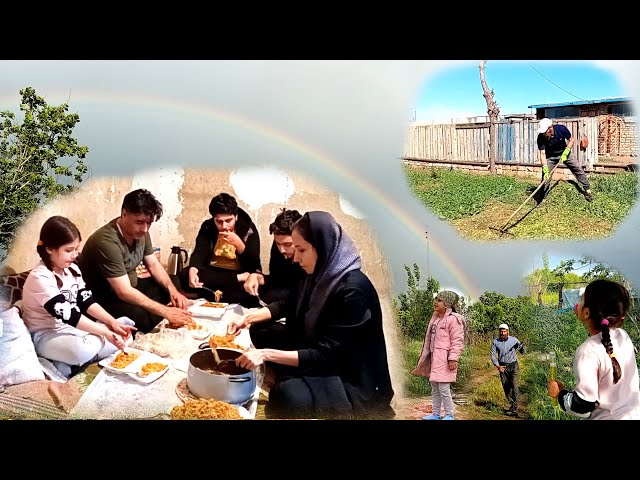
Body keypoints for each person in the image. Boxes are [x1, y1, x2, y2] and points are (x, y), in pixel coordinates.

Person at [226, 211, 395, 420]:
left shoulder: (353, 290)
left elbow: (327, 355)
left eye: (301, 249)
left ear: (322, 246)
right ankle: (291, 375)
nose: (295, 258)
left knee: (286, 396)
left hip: (350, 377)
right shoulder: (316, 273)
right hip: (316, 347)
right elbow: (288, 303)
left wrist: (266, 354)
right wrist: (247, 318)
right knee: (260, 329)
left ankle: (295, 379)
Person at [20, 216, 138, 378]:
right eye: (68, 250)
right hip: (45, 336)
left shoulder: (72, 270)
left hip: (72, 331)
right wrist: (106, 332)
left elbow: (86, 301)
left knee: (124, 331)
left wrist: (112, 322)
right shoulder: (40, 278)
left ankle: (66, 361)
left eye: (76, 249)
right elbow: (70, 315)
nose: (75, 255)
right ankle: (76, 356)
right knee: (82, 350)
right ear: (49, 249)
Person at [78, 189, 193, 335]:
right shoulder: (106, 241)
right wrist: (165, 311)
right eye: (139, 222)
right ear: (124, 214)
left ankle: (162, 314)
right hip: (106, 297)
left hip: (133, 285)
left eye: (149, 223)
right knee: (141, 318)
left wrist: (173, 291)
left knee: (173, 281)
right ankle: (159, 317)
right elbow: (123, 291)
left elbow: (153, 264)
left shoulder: (141, 232)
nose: (144, 229)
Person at [547, 279, 640, 419]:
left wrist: (559, 394)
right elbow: (601, 337)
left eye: (581, 300)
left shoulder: (587, 351)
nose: (578, 303)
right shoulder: (623, 337)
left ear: (587, 313)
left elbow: (582, 406)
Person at [179, 192, 262, 307]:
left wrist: (239, 245)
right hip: (215, 272)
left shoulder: (248, 230)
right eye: (219, 222)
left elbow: (254, 264)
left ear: (236, 216)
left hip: (238, 271)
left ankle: (205, 294)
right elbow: (199, 252)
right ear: (214, 219)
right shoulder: (208, 226)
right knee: (185, 274)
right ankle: (218, 293)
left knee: (253, 285)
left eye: (228, 221)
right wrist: (193, 269)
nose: (224, 226)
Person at [411, 290, 465, 420]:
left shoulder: (453, 320)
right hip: (435, 358)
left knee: (444, 388)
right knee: (435, 388)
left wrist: (453, 358)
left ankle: (449, 415)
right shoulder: (436, 319)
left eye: (439, 300)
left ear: (447, 304)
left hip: (445, 359)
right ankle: (435, 414)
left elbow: (457, 341)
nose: (436, 302)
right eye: (436, 299)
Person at [242, 208, 305, 304]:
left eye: (288, 245)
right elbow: (276, 280)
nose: (282, 250)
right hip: (282, 292)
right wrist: (256, 277)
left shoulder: (310, 254)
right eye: (278, 244)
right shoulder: (278, 247)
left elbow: (305, 290)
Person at [537, 117, 594, 202]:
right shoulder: (541, 137)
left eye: (544, 132)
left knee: (578, 168)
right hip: (550, 157)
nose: (543, 134)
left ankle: (587, 189)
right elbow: (542, 154)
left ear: (550, 128)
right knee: (546, 177)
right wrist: (545, 168)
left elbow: (571, 140)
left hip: (564, 153)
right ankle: (543, 198)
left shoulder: (561, 129)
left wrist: (566, 151)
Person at [490, 323, 526, 417]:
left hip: (514, 366)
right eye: (501, 331)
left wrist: (522, 347)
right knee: (506, 387)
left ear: (507, 332)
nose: (502, 333)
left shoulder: (514, 340)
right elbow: (493, 354)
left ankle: (515, 407)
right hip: (502, 367)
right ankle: (512, 403)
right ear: (499, 332)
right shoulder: (496, 342)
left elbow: (523, 352)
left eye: (504, 331)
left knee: (514, 385)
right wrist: (498, 366)